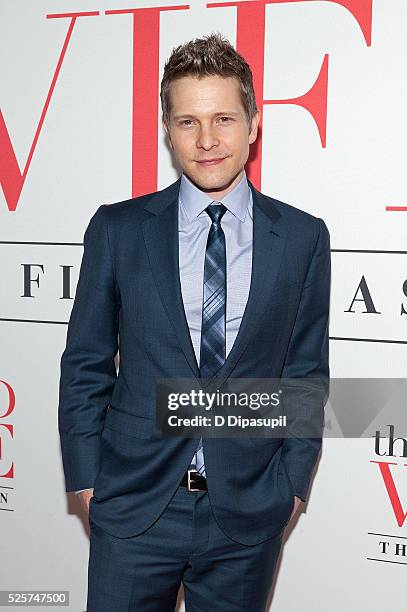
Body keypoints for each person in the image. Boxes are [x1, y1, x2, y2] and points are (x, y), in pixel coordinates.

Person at [58, 32, 331, 612]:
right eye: (187, 122)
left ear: (254, 125)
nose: (207, 140)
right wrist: (87, 483)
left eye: (224, 118)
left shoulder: (303, 238)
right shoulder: (118, 230)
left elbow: (304, 372)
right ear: (168, 130)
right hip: (133, 510)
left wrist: (291, 490)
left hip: (248, 515)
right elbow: (84, 364)